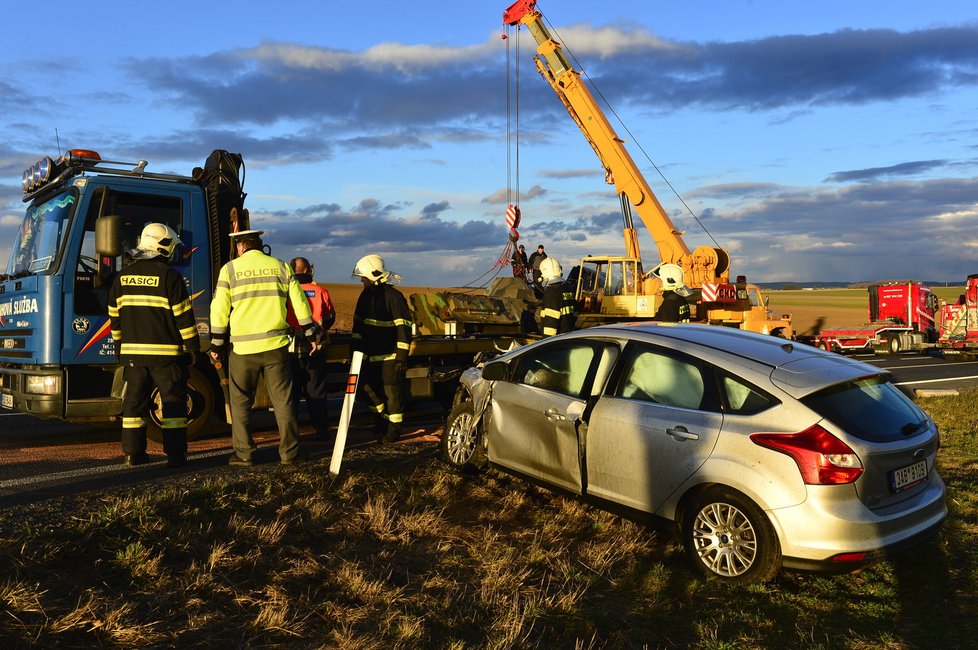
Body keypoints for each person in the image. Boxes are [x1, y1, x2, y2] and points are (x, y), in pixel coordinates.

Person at [209, 230, 319, 466]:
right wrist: (310, 332)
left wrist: (217, 342)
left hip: (242, 349)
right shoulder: (281, 267)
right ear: (261, 246)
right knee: (284, 402)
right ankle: (289, 454)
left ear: (240, 247)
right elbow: (299, 302)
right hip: (276, 348)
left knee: (240, 403)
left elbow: (219, 308)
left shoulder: (229, 270)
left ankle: (244, 453)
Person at [107, 223, 199, 468]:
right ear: (163, 245)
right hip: (166, 357)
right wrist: (192, 347)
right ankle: (176, 455)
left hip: (133, 357)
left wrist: (119, 348)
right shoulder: (169, 276)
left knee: (134, 405)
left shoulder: (121, 278)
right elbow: (184, 318)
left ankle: (133, 454)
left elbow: (114, 319)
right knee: (173, 406)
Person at [351, 254, 413, 443]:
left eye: (364, 278)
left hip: (390, 359)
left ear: (373, 275)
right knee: (369, 392)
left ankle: (393, 432)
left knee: (392, 397)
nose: (362, 280)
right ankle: (380, 423)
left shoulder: (394, 298)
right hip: (369, 358)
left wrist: (401, 357)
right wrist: (353, 353)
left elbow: (404, 328)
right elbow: (358, 327)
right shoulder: (365, 297)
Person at [286, 256, 335, 439]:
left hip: (291, 351)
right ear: (307, 270)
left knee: (292, 396)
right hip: (315, 351)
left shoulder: (286, 292)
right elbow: (330, 317)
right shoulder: (320, 291)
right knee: (316, 392)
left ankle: (291, 434)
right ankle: (322, 431)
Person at [538, 257, 576, 336]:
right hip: (569, 334)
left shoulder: (551, 292)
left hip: (556, 340)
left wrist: (546, 342)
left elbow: (550, 322)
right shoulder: (568, 288)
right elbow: (574, 313)